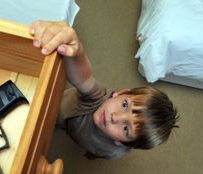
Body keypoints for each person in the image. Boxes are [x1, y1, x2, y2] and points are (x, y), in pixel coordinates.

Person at [30, 21, 179, 160]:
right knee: (49, 118)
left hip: (80, 135)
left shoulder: (115, 151)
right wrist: (76, 51)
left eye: (126, 129)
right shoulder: (98, 97)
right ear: (120, 93)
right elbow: (83, 78)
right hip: (59, 108)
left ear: (121, 143)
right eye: (125, 105)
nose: (115, 117)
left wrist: (95, 154)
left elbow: (104, 153)